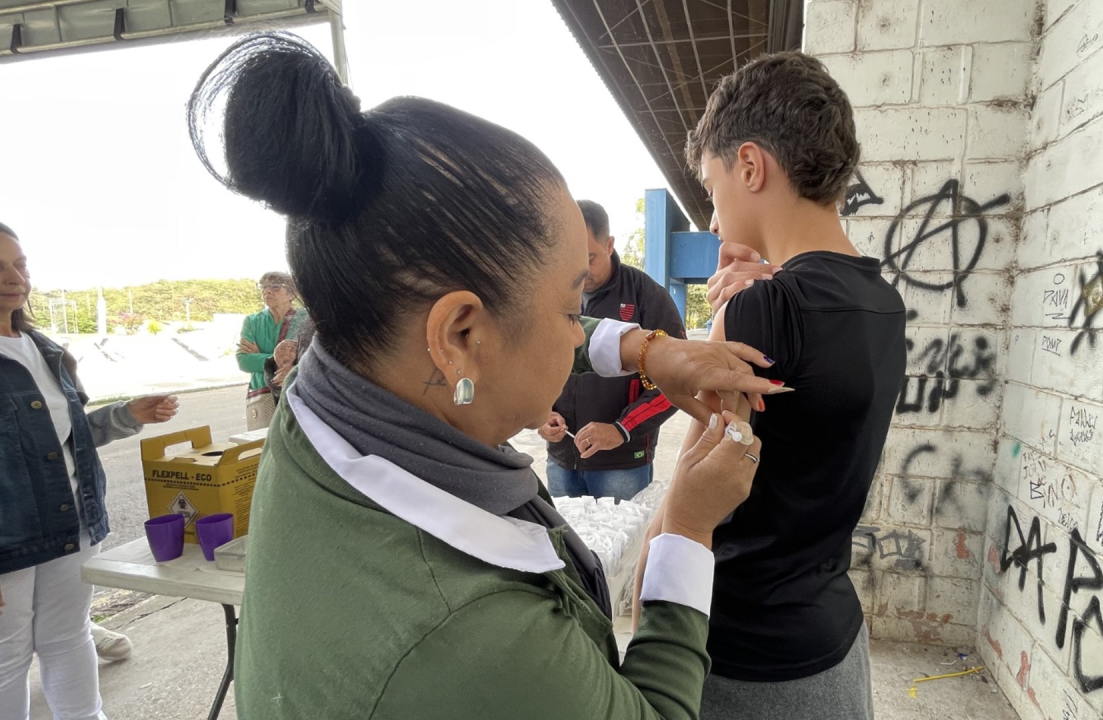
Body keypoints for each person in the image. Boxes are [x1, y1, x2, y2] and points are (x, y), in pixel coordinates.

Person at [187, 33, 792, 719]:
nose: (577, 330)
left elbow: (525, 323)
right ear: (459, 339)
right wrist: (685, 525)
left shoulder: (326, 392)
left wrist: (651, 352)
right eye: (570, 308)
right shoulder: (473, 638)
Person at [634, 52, 908, 720]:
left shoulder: (761, 308)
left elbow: (694, 486)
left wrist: (647, 581)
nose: (712, 214)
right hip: (833, 638)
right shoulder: (883, 302)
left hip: (745, 656)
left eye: (712, 185)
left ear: (751, 166)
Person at [0, 222, 180, 720]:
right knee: (6, 658)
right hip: (7, 539)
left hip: (72, 521)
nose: (14, 278)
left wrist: (128, 415)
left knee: (68, 636)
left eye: (20, 264)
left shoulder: (47, 351)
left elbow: (69, 438)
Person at [539, 200, 685, 502]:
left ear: (609, 245)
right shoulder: (551, 294)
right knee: (563, 547)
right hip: (561, 460)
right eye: (570, 259)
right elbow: (531, 361)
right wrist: (539, 413)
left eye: (589, 258)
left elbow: (677, 380)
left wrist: (622, 429)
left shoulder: (647, 296)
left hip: (621, 465)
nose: (580, 271)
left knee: (620, 549)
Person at [237, 271, 308, 430]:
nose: (267, 291)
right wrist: (284, 360)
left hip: (297, 392)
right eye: (263, 287)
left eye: (275, 287)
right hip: (262, 395)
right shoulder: (252, 321)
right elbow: (244, 361)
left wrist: (259, 356)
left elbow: (311, 356)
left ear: (292, 293)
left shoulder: (306, 319)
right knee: (262, 446)